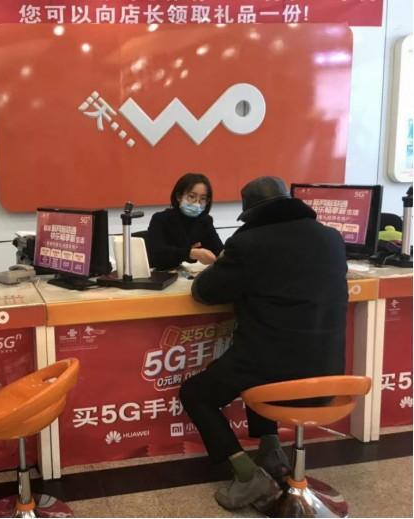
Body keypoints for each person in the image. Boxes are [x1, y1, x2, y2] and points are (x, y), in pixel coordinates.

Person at [180, 176, 347, 510]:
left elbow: (205, 292)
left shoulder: (249, 243)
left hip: (270, 369)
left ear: (250, 213)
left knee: (196, 392)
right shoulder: (331, 237)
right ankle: (271, 453)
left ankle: (246, 476)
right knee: (255, 368)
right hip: (328, 373)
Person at [147, 173, 223, 270]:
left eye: (203, 199)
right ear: (179, 196)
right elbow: (155, 255)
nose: (197, 203)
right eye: (192, 196)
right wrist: (190, 253)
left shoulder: (205, 221)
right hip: (164, 274)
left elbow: (218, 251)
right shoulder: (161, 219)